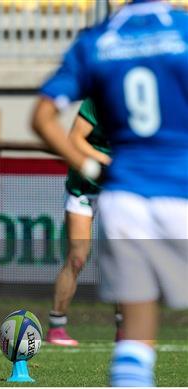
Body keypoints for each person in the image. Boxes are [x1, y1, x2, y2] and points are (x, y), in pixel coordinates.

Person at [31, 0, 188, 386]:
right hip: (178, 186)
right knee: (81, 259)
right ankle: (58, 324)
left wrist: (92, 166)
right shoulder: (183, 30)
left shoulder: (98, 39)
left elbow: (41, 118)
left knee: (135, 330)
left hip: (124, 196)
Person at [46, 98, 123, 346]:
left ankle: (125, 329)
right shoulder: (96, 100)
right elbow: (75, 139)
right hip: (84, 187)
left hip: (118, 189)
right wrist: (105, 161)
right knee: (78, 256)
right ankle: (57, 326)